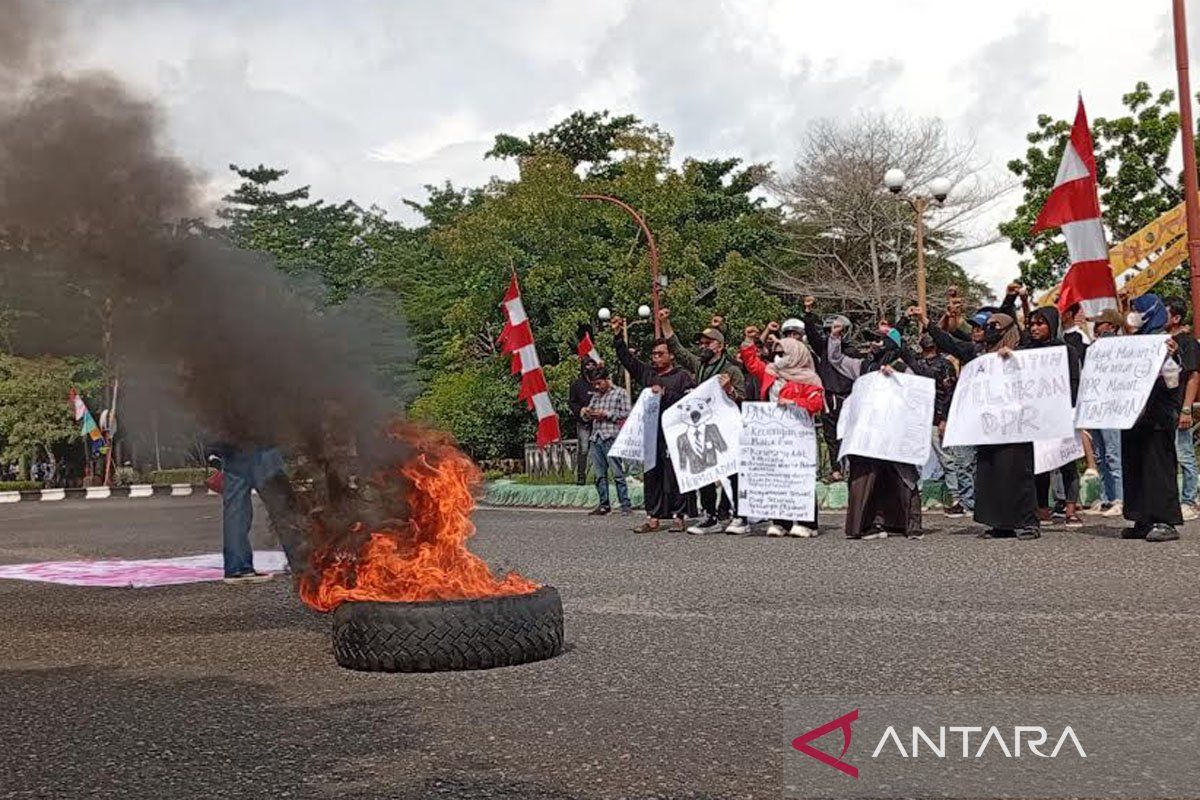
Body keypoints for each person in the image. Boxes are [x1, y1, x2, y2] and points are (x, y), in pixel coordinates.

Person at [917, 306, 1040, 540]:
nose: (988, 330)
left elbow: (1038, 374)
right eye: (987, 326)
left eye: (995, 326)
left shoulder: (1024, 353)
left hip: (1016, 427)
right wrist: (926, 321)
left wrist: (1015, 359)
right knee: (991, 473)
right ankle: (999, 523)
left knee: (1017, 474)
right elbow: (949, 342)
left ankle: (1027, 523)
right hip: (988, 427)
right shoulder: (978, 354)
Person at [827, 325, 924, 540]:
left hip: (894, 431)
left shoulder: (903, 367)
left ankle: (910, 524)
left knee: (903, 475)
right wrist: (834, 337)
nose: (874, 344)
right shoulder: (863, 366)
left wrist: (898, 377)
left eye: (879, 340)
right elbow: (836, 360)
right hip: (869, 433)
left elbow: (917, 390)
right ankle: (867, 524)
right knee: (865, 476)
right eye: (872, 339)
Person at [658, 309, 746, 534]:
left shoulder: (731, 370)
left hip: (725, 430)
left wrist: (730, 390)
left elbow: (743, 399)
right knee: (704, 472)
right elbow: (677, 348)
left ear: (720, 346)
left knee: (732, 472)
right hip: (703, 428)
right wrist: (665, 322)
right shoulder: (700, 366)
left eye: (708, 343)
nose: (703, 346)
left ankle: (740, 515)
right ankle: (710, 515)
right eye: (701, 343)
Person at [610, 316, 696, 533]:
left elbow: (690, 402)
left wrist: (666, 394)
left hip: (675, 434)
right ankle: (653, 517)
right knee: (651, 475)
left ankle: (678, 515)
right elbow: (628, 361)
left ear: (671, 356)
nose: (656, 358)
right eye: (654, 354)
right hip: (651, 434)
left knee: (674, 475)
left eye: (660, 354)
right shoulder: (648, 374)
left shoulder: (682, 376)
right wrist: (618, 336)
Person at [740, 326, 825, 537]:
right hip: (775, 436)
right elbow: (751, 362)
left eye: (783, 354)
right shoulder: (771, 373)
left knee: (800, 476)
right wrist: (749, 341)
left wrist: (795, 402)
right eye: (776, 354)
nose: (778, 358)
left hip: (798, 437)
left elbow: (816, 403)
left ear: (796, 355)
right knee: (777, 476)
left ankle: (808, 522)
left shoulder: (808, 378)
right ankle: (781, 521)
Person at [1121, 294, 1184, 542]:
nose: (1133, 315)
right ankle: (1142, 519)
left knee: (1158, 467)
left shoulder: (1164, 342)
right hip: (1133, 418)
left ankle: (1165, 521)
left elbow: (1173, 381)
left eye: (1138, 310)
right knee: (1135, 466)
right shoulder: (1132, 343)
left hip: (1157, 417)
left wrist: (1171, 357)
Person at [1026, 306, 1083, 528]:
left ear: (1051, 325)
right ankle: (1042, 509)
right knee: (1041, 462)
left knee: (1067, 461)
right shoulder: (1025, 351)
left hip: (1062, 414)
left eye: (1040, 324)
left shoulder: (1066, 351)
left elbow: (1074, 382)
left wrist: (1071, 412)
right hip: (1036, 416)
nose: (1034, 328)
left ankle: (1070, 510)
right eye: (1032, 324)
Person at [217, 446, 304, 583]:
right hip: (261, 447)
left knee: (235, 510)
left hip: (232, 448)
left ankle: (238, 568)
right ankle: (300, 563)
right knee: (282, 507)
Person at [801, 296, 858, 482]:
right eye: (828, 331)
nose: (831, 334)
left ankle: (852, 469)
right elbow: (811, 335)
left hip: (848, 398)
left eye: (836, 330)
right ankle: (836, 469)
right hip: (829, 398)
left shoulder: (852, 352)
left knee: (848, 435)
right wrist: (808, 312)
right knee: (830, 436)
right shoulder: (824, 349)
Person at [910, 332, 966, 515]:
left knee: (946, 458)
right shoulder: (916, 363)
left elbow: (949, 393)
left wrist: (944, 418)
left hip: (936, 415)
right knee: (915, 458)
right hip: (919, 415)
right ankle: (914, 496)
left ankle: (956, 498)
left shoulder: (944, 364)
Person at [1085, 308, 1125, 517]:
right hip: (1096, 405)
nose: (1096, 327)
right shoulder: (1093, 347)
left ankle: (1119, 498)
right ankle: (1106, 497)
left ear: (1112, 326)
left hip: (1112, 407)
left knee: (1112, 454)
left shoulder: (1118, 346)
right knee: (1100, 455)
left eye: (1100, 323)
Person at [582, 367, 632, 516]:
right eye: (594, 384)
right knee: (599, 474)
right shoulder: (596, 396)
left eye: (599, 383)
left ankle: (625, 504)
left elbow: (627, 413)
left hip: (611, 436)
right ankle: (604, 504)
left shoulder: (620, 393)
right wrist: (586, 413)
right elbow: (588, 414)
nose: (597, 387)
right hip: (596, 436)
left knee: (617, 473)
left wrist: (607, 414)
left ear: (607, 379)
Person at [1166, 300, 1200, 521]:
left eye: (1165, 313)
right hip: (1163, 409)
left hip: (1179, 407)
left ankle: (1190, 499)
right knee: (1167, 455)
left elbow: (1193, 376)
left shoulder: (1187, 342)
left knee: (1185, 454)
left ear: (1176, 318)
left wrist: (1186, 409)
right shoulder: (1160, 340)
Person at [569, 324, 601, 486]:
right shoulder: (577, 385)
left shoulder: (599, 383)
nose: (590, 367)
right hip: (583, 422)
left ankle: (599, 477)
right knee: (583, 449)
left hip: (599, 421)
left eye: (592, 365)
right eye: (587, 365)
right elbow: (572, 402)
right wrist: (581, 411)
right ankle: (581, 477)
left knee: (598, 449)